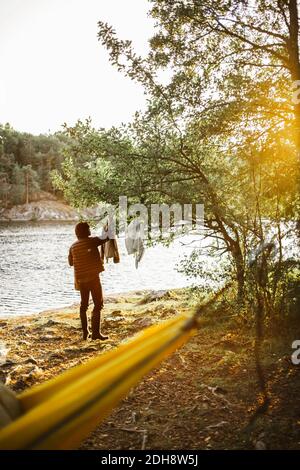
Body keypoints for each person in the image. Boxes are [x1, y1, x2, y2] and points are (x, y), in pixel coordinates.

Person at [68, 222, 109, 340]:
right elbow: (106, 237)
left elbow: (71, 263)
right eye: (89, 229)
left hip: (81, 280)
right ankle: (96, 334)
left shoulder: (73, 246)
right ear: (86, 232)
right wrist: (109, 225)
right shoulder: (91, 241)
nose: (90, 230)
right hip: (93, 279)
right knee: (98, 304)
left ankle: (85, 333)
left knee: (83, 305)